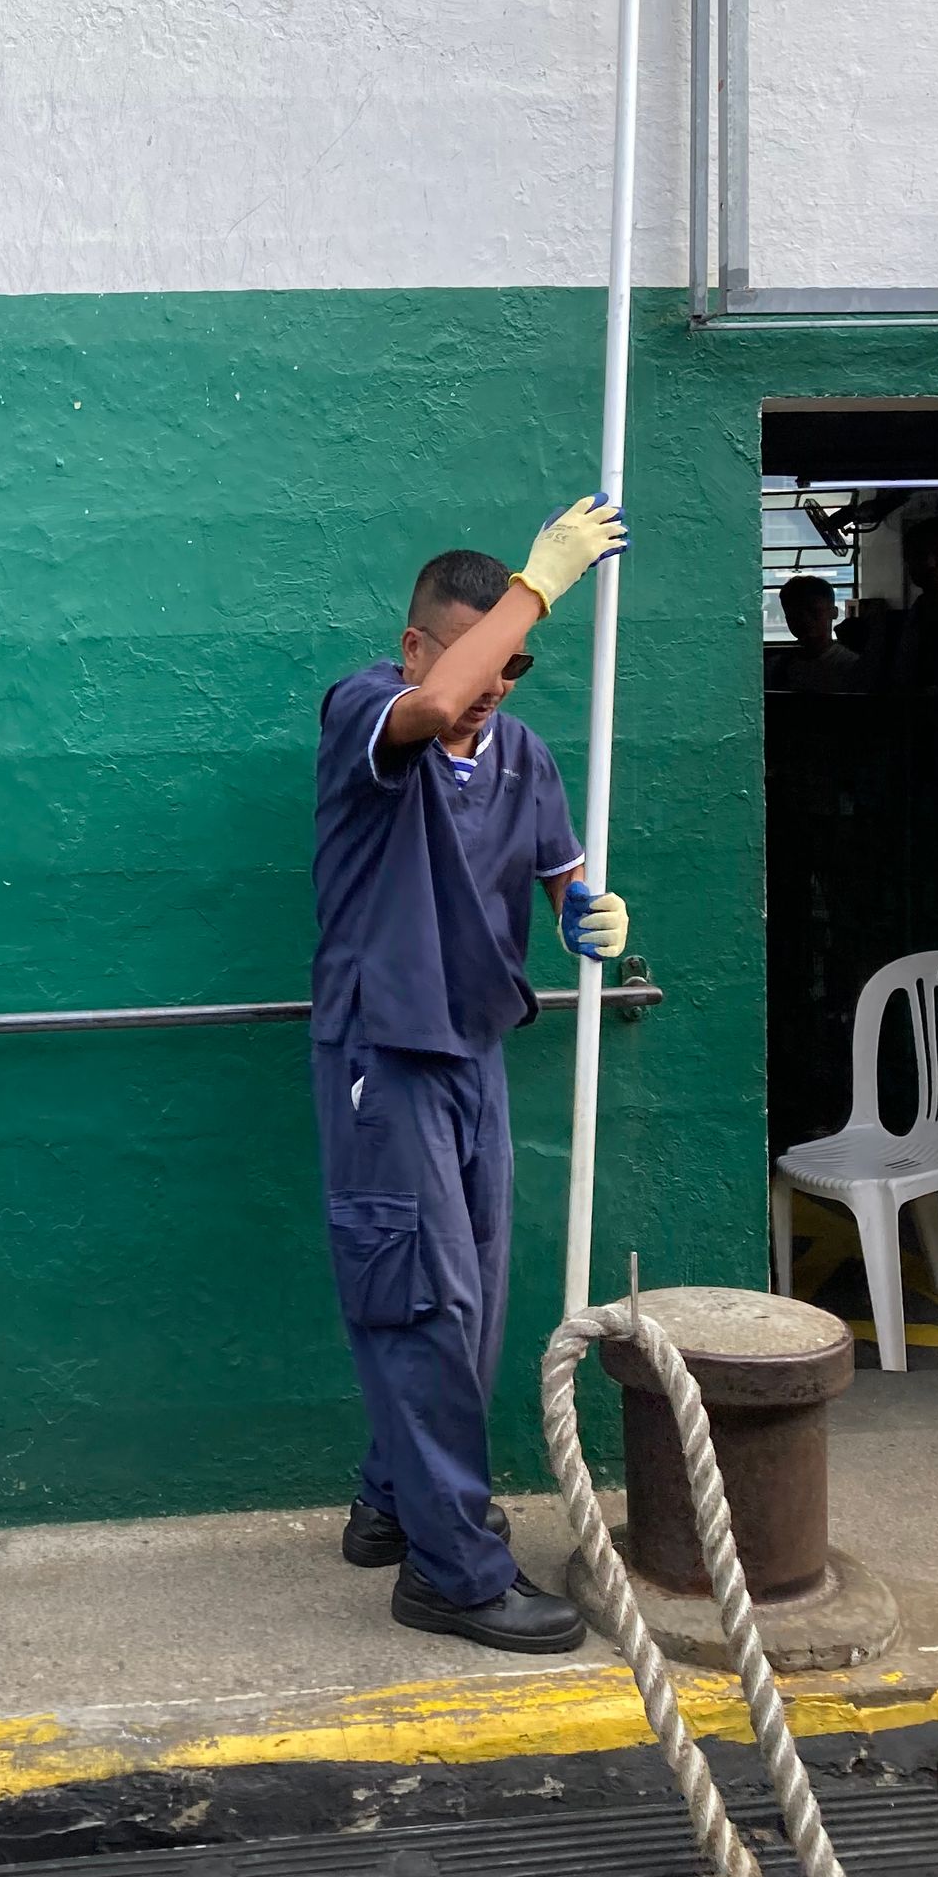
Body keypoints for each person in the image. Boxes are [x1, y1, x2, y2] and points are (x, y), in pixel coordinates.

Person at [310, 497, 631, 1654]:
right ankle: (450, 1573)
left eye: (514, 664)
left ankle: (391, 1502)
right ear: (415, 648)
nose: (495, 685)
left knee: (472, 1310)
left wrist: (586, 913)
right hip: (380, 1061)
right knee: (419, 1309)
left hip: (473, 1055)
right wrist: (540, 583)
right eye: (479, 652)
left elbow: (560, 874)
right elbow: (441, 703)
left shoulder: (525, 755)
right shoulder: (369, 709)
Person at [774, 575, 863, 696]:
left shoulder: (777, 667)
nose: (805, 620)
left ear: (834, 613)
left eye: (814, 612)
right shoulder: (851, 665)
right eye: (796, 615)